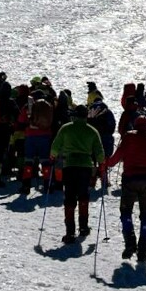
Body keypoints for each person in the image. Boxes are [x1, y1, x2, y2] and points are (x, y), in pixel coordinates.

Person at [104, 115, 146, 263]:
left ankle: (130, 242)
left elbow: (115, 158)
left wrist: (106, 163)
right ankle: (143, 249)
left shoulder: (129, 138)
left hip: (130, 180)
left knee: (125, 212)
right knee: (145, 215)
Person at [50, 103, 105, 244]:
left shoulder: (66, 128)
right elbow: (99, 152)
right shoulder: (92, 131)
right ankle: (84, 227)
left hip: (69, 165)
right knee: (83, 196)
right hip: (85, 166)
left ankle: (70, 231)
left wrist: (53, 156)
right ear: (86, 116)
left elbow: (55, 146)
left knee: (69, 196)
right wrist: (101, 164)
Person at [21, 89, 55, 197]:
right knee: (45, 161)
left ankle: (26, 185)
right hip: (45, 136)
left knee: (28, 161)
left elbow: (21, 120)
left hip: (31, 136)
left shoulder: (29, 106)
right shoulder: (48, 106)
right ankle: (47, 185)